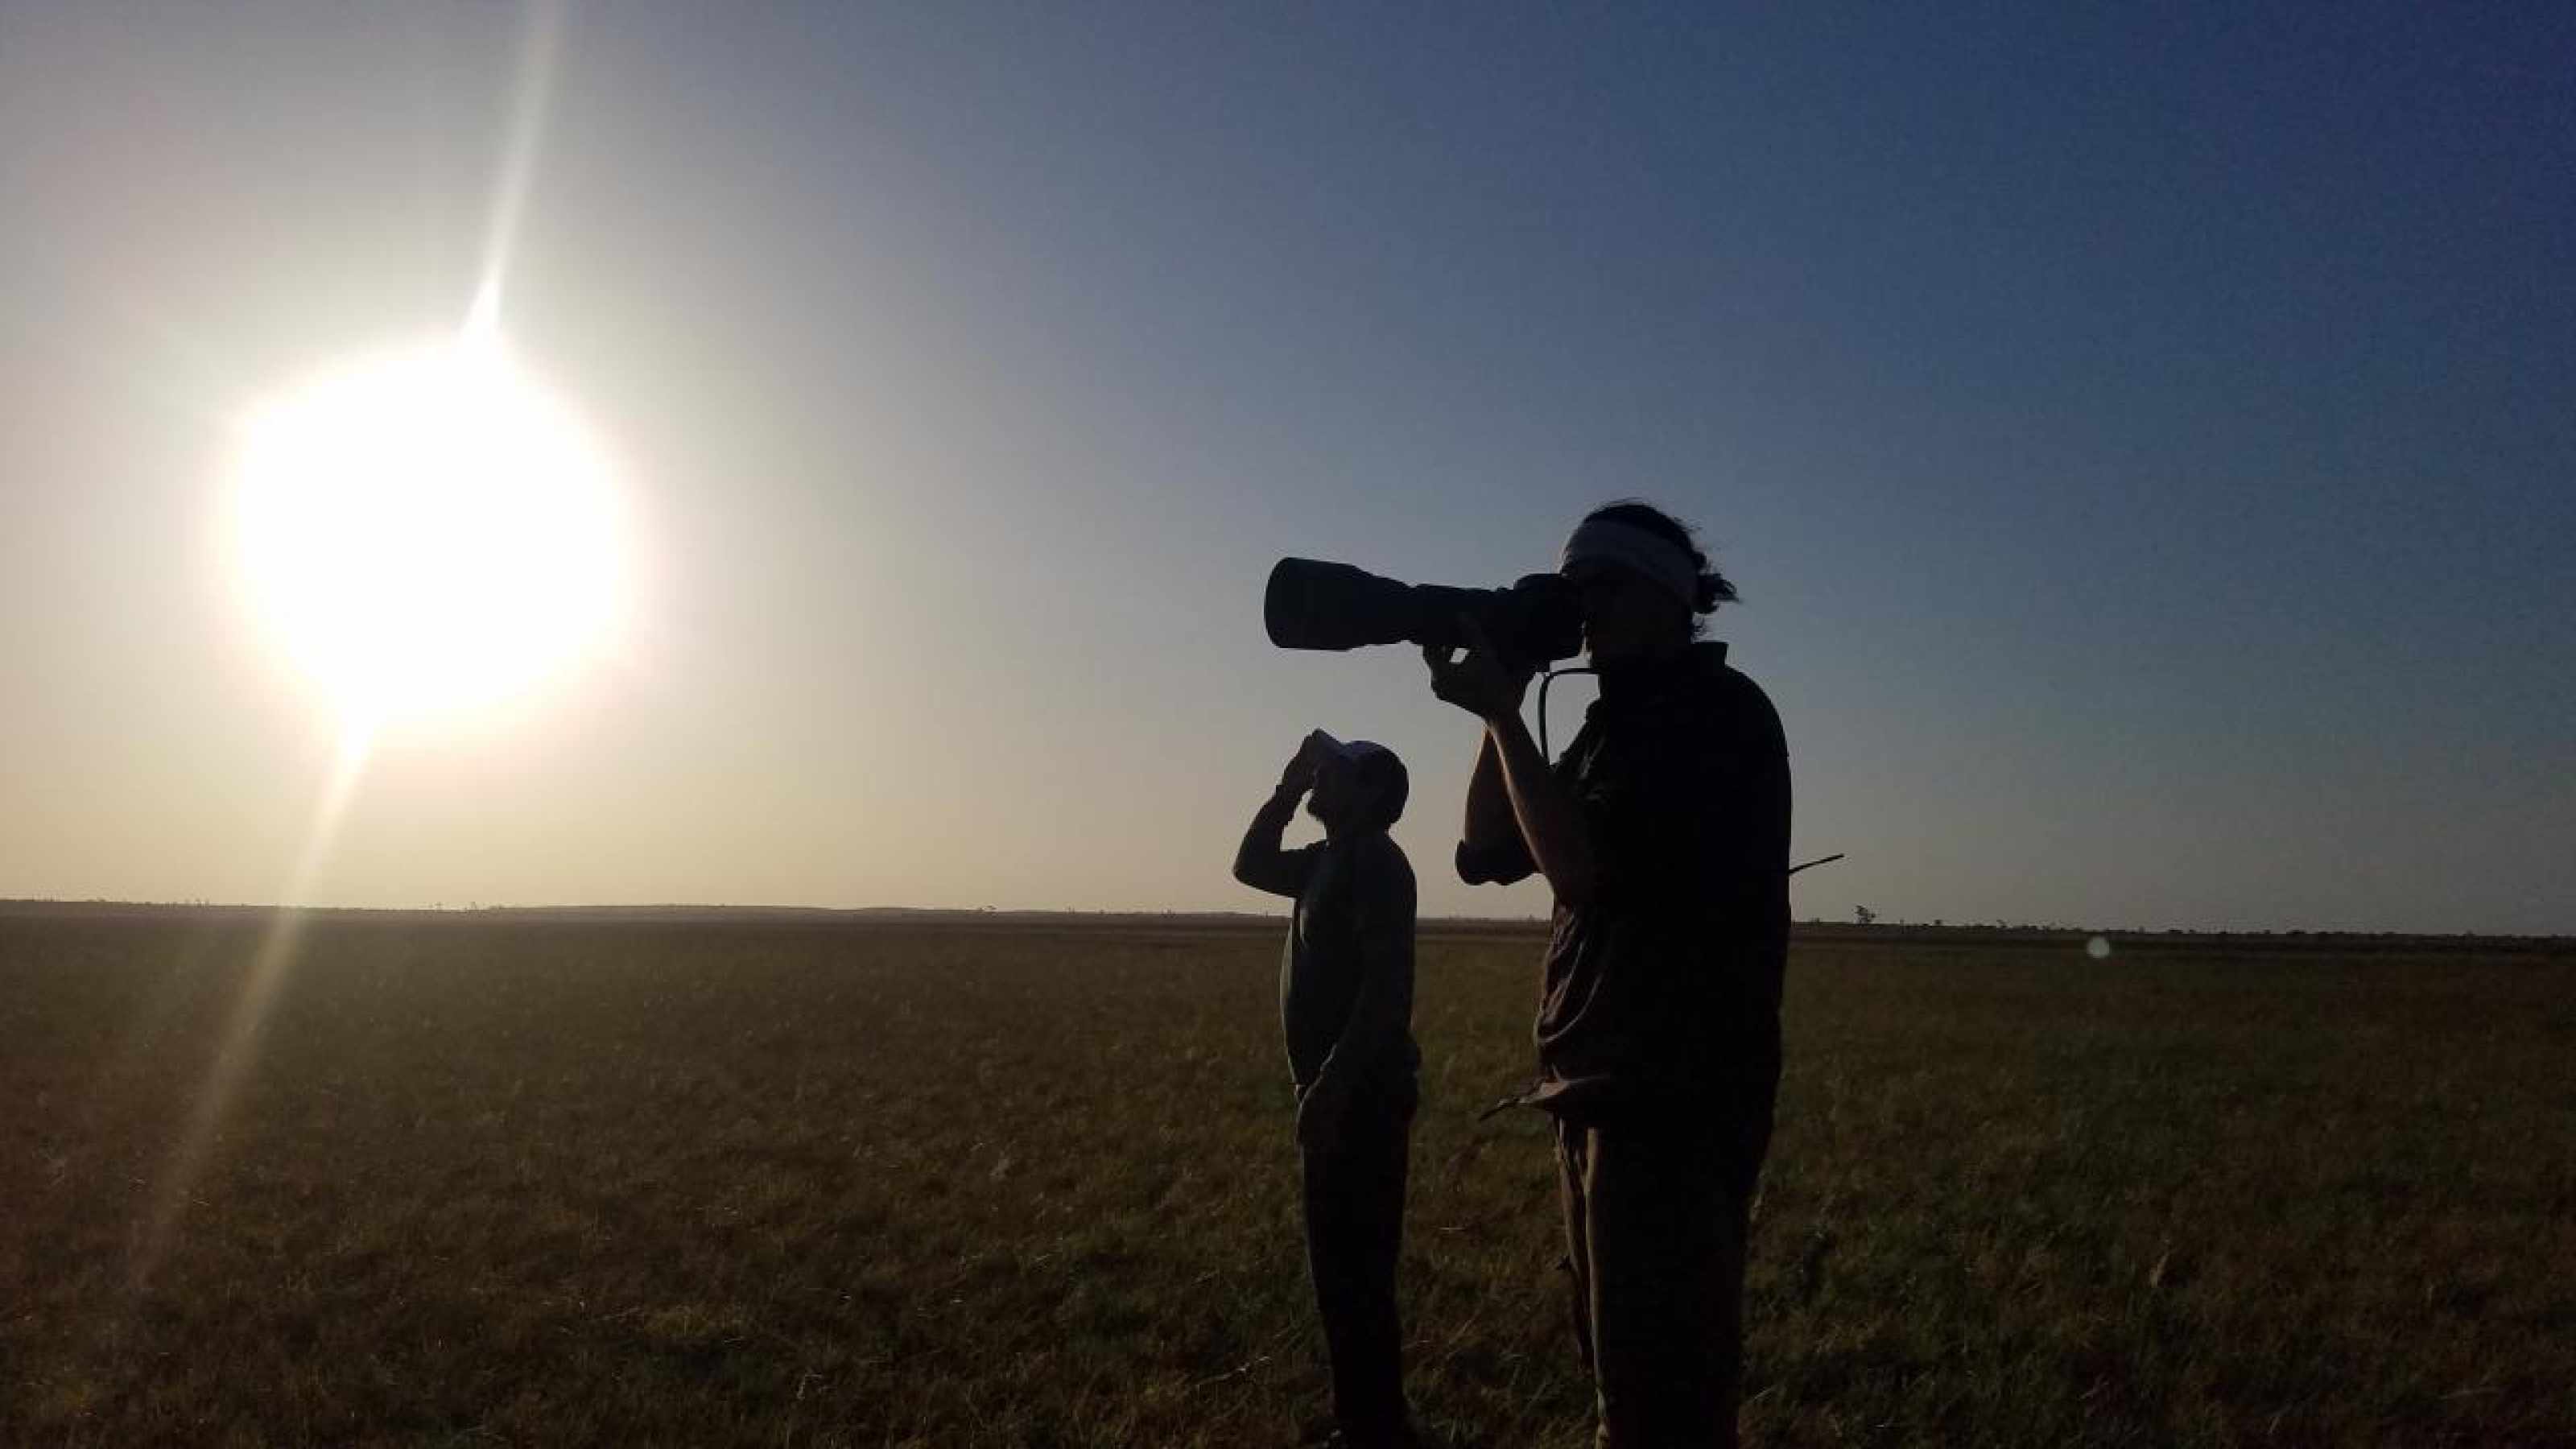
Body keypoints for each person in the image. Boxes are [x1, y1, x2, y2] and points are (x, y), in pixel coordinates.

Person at [1423, 501, 1790, 1448]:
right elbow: (1486, 845)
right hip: (1599, 1085)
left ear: (1667, 600)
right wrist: (1497, 709)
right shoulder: (1610, 723)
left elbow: (1578, 872)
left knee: (1660, 1390)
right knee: (1617, 1376)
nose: (1579, 609)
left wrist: (1506, 711)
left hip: (1671, 1094)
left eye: (1600, 587)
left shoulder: (1713, 713)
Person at [1232, 730, 1422, 1449]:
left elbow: (1385, 991)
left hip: (1361, 1099)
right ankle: (1366, 1421)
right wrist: (1286, 790)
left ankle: (1376, 1428)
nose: (1321, 777)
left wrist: (1335, 1086)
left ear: (1369, 793)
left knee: (1356, 1270)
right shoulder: (1328, 861)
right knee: (1340, 1270)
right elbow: (1248, 865)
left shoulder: (1374, 862)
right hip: (1341, 1096)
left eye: (1334, 770)